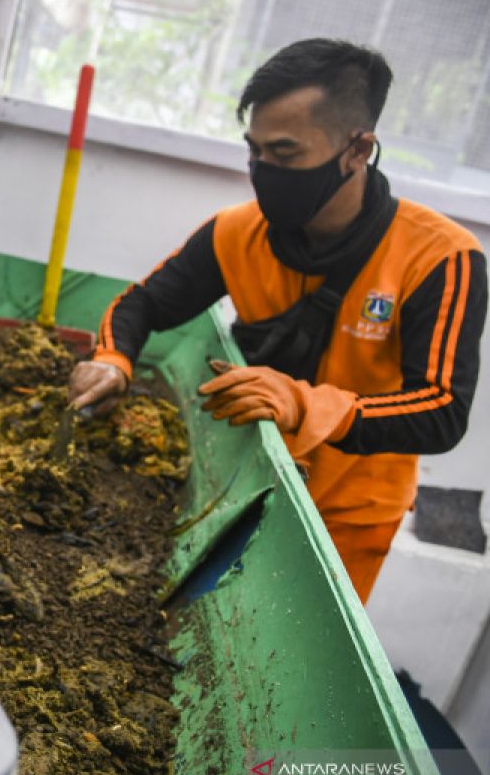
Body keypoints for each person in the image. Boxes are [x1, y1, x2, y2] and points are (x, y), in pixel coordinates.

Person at [67, 38, 487, 603]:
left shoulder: (441, 258)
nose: (262, 173)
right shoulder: (237, 232)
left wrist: (307, 404)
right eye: (254, 152)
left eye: (285, 156)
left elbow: (441, 409)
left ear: (358, 149)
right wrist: (112, 361)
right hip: (235, 478)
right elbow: (140, 305)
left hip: (345, 517)